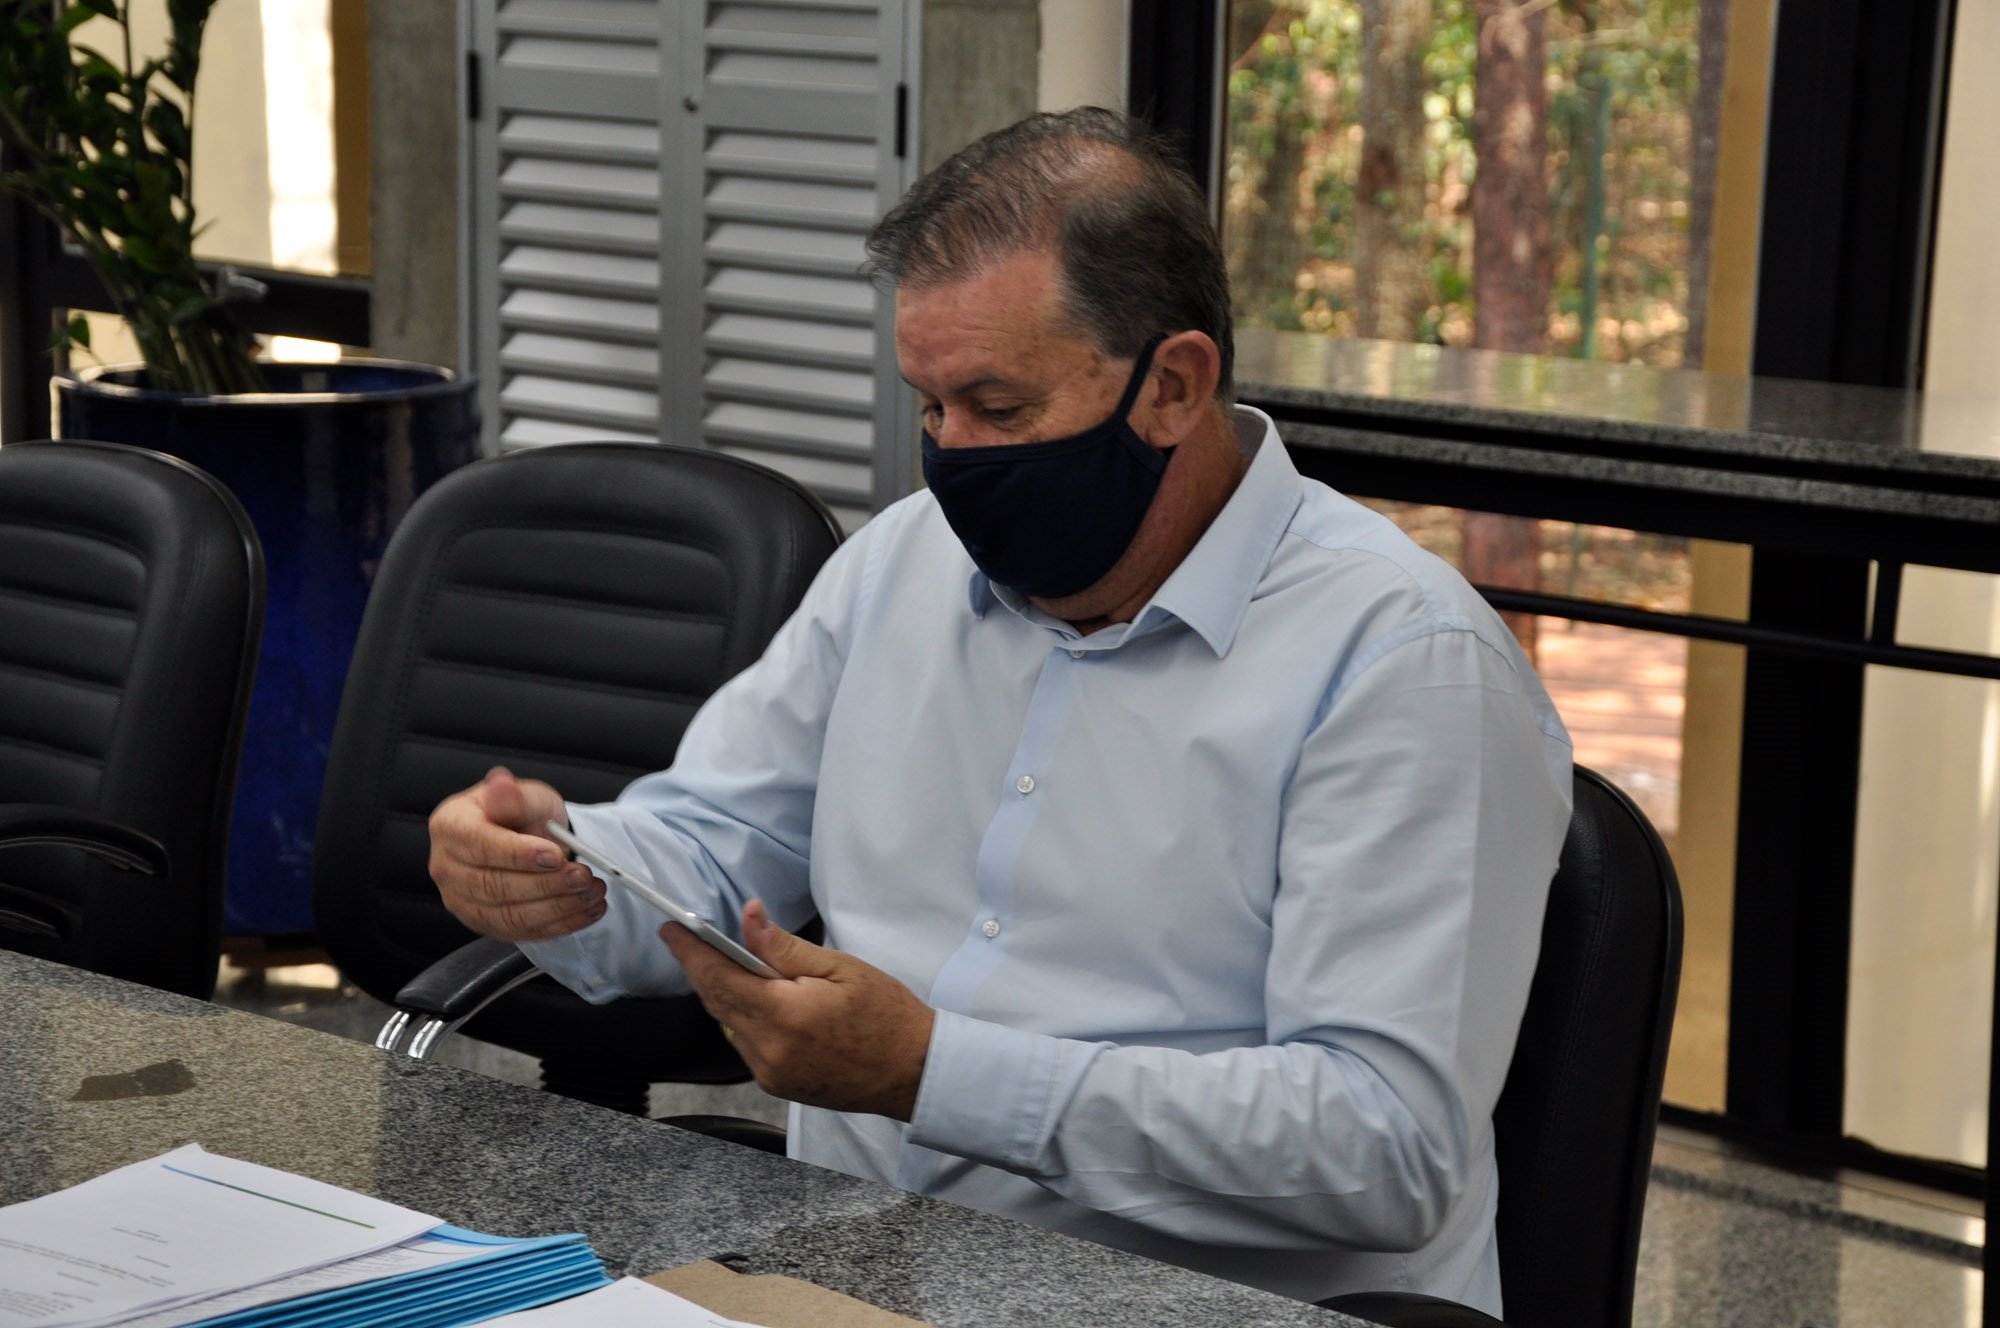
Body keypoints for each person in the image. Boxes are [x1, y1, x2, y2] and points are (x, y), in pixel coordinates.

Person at [428, 107, 1572, 1313]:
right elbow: (714, 843)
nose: (953, 457)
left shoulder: (1401, 662)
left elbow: (1383, 1149)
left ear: (1172, 385)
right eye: (930, 407)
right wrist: (563, 870)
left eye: (999, 406)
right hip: (844, 1265)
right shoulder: (901, 562)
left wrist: (933, 1073)